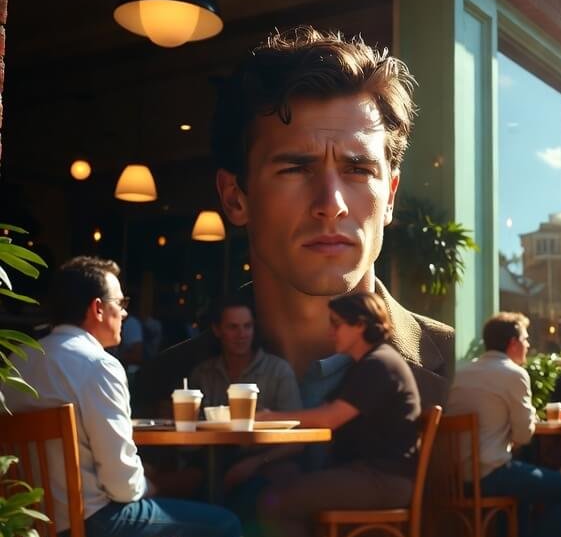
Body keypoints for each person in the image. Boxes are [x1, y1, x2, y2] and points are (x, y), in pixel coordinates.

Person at [135, 27, 454, 418]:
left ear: (389, 195)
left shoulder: (462, 374)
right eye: (296, 169)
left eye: (357, 169)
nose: (331, 204)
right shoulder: (162, 385)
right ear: (235, 197)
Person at [5, 257, 241, 537]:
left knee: (139, 517)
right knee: (222, 526)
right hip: (89, 527)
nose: (126, 313)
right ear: (97, 308)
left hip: (30, 534)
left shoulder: (19, 360)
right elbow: (122, 486)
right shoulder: (97, 364)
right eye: (121, 303)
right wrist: (151, 486)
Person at [251, 292, 422, 537]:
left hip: (382, 480)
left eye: (336, 324)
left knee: (276, 504)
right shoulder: (368, 365)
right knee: (279, 486)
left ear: (360, 325)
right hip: (370, 475)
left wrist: (269, 417)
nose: (330, 332)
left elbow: (330, 419)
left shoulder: (379, 365)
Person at [447, 312, 561, 537]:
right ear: (512, 343)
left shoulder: (461, 372)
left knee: (521, 479)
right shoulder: (513, 374)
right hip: (489, 474)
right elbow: (524, 435)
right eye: (526, 339)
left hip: (456, 478)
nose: (529, 345)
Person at [190, 294, 303, 493]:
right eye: (233, 327)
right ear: (217, 330)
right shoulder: (203, 373)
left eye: (247, 326)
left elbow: (298, 439)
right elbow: (190, 436)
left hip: (267, 460)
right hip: (212, 461)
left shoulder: (278, 370)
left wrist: (257, 462)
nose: (241, 334)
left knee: (282, 478)